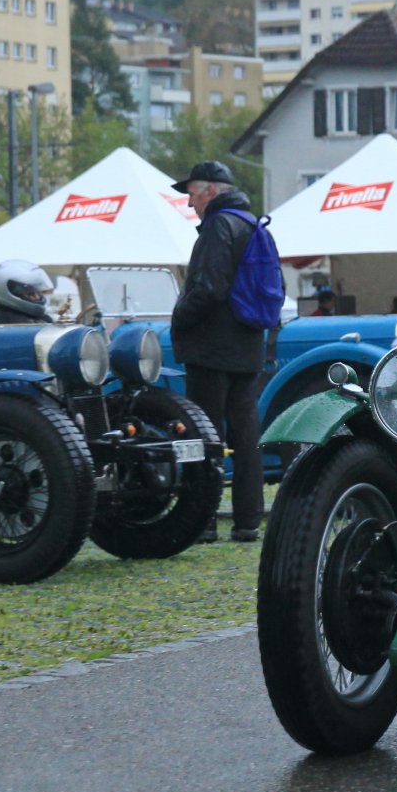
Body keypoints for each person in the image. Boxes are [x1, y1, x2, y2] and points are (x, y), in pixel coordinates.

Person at [169, 160, 272, 544]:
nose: (190, 203)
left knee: (205, 433)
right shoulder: (251, 223)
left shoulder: (218, 226)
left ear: (210, 190)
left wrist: (179, 318)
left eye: (192, 193)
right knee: (245, 434)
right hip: (248, 344)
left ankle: (205, 519)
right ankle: (247, 520)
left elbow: (210, 288)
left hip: (211, 347)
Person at [0, 259, 54, 324]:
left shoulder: (26, 313)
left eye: (38, 292)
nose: (37, 297)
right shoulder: (14, 320)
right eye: (30, 294)